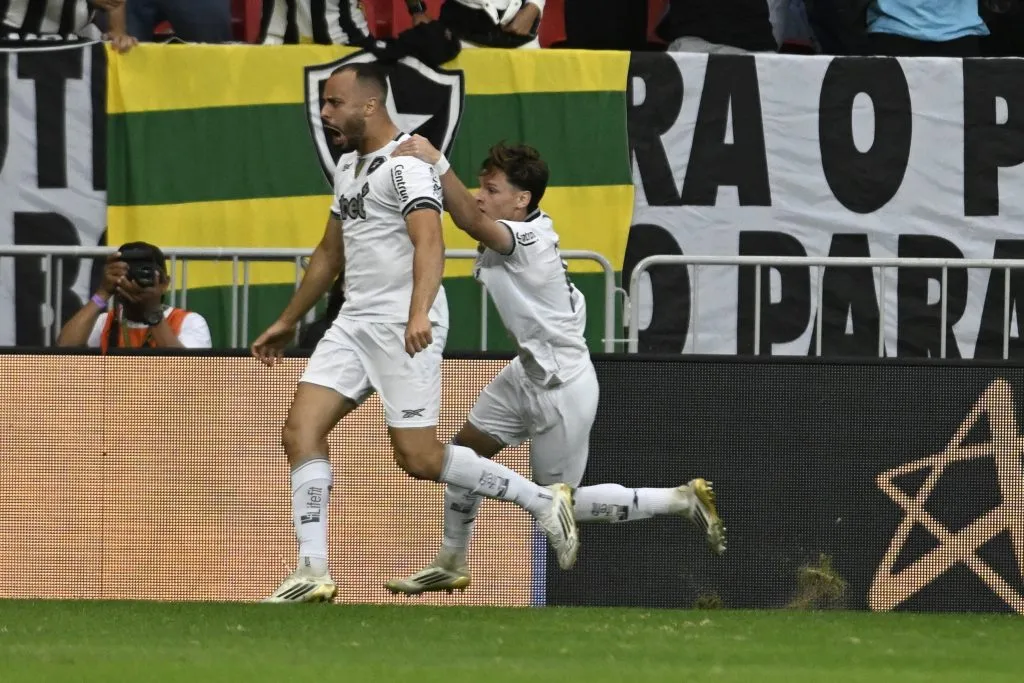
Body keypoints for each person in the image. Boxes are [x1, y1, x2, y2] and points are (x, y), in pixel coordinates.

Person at [250, 63, 580, 604]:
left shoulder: (406, 167)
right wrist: (288, 319)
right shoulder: (349, 167)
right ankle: (312, 570)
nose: (326, 113)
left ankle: (542, 501)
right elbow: (330, 252)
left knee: (419, 459)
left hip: (404, 325)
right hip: (354, 323)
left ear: (370, 106)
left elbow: (430, 242)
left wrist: (419, 312)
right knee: (298, 431)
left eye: (335, 104)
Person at [383, 137, 726, 597]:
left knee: (560, 503)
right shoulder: (524, 228)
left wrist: (436, 160)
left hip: (563, 388)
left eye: (491, 188)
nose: (481, 195)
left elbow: (466, 218)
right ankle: (451, 560)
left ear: (521, 200)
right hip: (525, 373)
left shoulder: (527, 239)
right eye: (480, 188)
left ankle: (681, 501)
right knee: (463, 457)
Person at [56, 242, 212, 350]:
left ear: (165, 283)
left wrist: (152, 312)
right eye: (129, 273)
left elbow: (188, 373)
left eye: (146, 273)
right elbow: (64, 353)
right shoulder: (105, 323)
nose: (137, 280)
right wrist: (102, 293)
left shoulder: (189, 322)